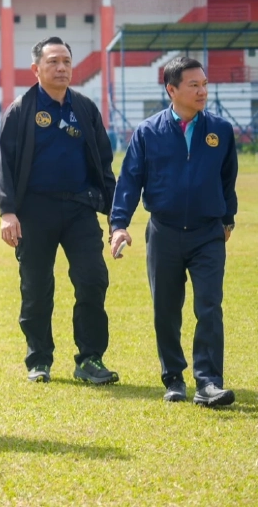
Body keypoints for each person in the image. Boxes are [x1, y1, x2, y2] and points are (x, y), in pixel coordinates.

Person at [110, 56, 238, 407]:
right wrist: (119, 225)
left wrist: (227, 219)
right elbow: (130, 180)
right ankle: (174, 378)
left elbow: (227, 179)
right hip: (163, 233)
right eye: (194, 85)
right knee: (165, 309)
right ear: (172, 89)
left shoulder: (220, 130)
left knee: (209, 306)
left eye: (205, 84)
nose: (202, 91)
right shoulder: (148, 132)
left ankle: (208, 382)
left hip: (208, 233)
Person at [0, 36, 119, 385]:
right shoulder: (21, 110)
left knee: (92, 279)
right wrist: (7, 211)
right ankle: (39, 359)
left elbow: (103, 163)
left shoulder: (85, 108)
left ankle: (90, 358)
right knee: (36, 287)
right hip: (34, 211)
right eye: (53, 62)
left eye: (66, 61)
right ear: (36, 69)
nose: (61, 68)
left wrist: (116, 215)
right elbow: (5, 164)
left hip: (80, 208)